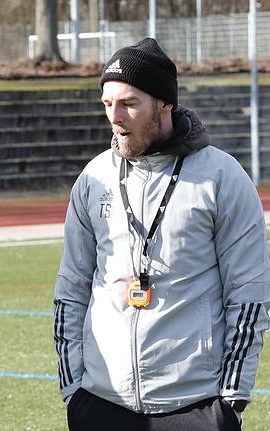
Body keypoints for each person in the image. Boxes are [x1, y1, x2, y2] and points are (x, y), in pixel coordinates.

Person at [53, 37, 270, 431]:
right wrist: (74, 390)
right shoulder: (94, 178)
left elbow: (249, 294)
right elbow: (71, 288)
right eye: (107, 104)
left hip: (195, 406)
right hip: (102, 402)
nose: (115, 117)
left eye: (129, 104)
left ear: (165, 103)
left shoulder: (221, 178)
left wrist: (230, 401)